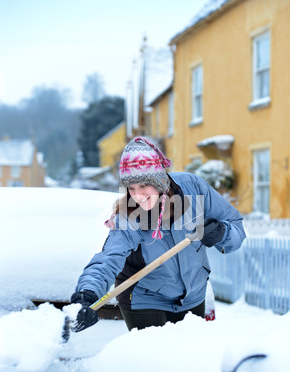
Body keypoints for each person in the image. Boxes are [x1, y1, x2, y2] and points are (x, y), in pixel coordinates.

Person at [71, 136, 246, 332]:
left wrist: (222, 233)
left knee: (190, 359)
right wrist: (87, 294)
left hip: (193, 296)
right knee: (153, 360)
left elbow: (236, 227)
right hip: (145, 299)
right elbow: (108, 258)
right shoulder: (131, 213)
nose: (137, 196)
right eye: (131, 188)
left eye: (144, 186)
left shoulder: (193, 189)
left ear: (160, 181)